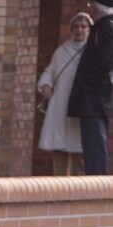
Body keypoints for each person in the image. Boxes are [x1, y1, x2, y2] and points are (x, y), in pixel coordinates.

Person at [38, 12, 93, 175]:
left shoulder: (93, 51)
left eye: (83, 26)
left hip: (80, 109)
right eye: (76, 26)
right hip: (60, 106)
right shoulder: (61, 51)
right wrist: (45, 85)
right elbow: (50, 71)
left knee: (79, 160)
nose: (79, 30)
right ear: (71, 30)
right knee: (59, 158)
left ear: (89, 29)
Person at [68, 1, 113, 174]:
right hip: (94, 98)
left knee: (94, 150)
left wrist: (86, 86)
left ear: (98, 7)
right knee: (91, 148)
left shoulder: (105, 27)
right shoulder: (103, 27)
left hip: (94, 99)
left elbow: (106, 60)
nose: (90, 8)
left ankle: (98, 186)